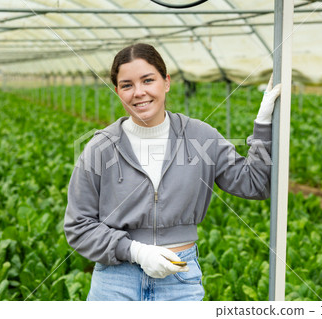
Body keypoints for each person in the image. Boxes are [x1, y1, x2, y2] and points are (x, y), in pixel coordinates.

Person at [64, 43, 281, 301]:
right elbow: (78, 226)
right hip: (115, 282)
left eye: (148, 80)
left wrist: (264, 124)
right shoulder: (100, 147)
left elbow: (255, 184)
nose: (139, 92)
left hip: (179, 280)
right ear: (117, 91)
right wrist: (135, 251)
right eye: (127, 85)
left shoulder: (201, 137)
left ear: (166, 82)